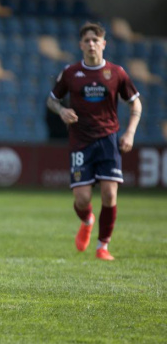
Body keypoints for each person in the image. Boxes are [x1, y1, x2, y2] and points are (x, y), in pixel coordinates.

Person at [47, 22, 141, 261]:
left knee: (110, 194)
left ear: (103, 44)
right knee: (82, 199)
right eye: (87, 40)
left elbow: (136, 104)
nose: (91, 44)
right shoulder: (71, 73)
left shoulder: (117, 73)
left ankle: (102, 246)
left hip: (108, 140)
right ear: (81, 45)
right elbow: (52, 100)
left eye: (95, 40)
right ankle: (87, 220)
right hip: (80, 141)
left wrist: (130, 133)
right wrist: (61, 111)